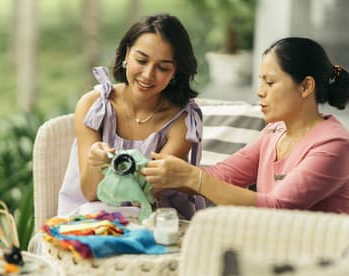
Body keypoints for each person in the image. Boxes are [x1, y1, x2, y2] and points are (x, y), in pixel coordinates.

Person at [142, 37, 349, 214]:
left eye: (270, 83)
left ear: (305, 86)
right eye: (261, 82)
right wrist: (157, 172)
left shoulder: (333, 145)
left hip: (324, 256)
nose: (260, 91)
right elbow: (224, 175)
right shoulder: (275, 132)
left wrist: (191, 177)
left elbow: (277, 208)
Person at [57, 14, 204, 218]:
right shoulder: (93, 106)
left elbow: (145, 194)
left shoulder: (183, 121)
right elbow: (91, 193)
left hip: (153, 216)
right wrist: (96, 162)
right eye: (141, 60)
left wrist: (109, 164)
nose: (147, 75)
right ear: (126, 54)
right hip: (92, 215)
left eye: (163, 67)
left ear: (176, 72)